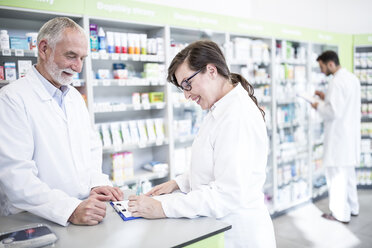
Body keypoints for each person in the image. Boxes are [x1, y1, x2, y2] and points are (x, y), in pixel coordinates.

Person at [127, 40, 276, 247]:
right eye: (182, 88)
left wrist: (163, 209)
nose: (187, 94)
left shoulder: (237, 116)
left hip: (239, 235)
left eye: (187, 84)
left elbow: (227, 194)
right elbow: (214, 165)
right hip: (220, 227)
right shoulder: (219, 108)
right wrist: (178, 183)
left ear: (211, 70)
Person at [0, 17, 123, 226]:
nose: (78, 67)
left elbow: (91, 149)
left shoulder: (74, 97)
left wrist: (96, 183)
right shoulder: (12, 99)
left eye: (82, 58)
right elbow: (16, 177)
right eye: (71, 56)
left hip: (83, 209)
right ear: (44, 48)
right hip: (33, 219)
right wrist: (69, 210)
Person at [311, 50, 360, 224]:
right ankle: (353, 208)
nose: (322, 70)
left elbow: (333, 112)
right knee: (348, 177)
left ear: (330, 63)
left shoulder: (336, 82)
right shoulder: (352, 79)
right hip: (350, 137)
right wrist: (326, 98)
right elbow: (344, 103)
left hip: (339, 139)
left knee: (337, 178)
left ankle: (340, 214)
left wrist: (317, 105)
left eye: (322, 66)